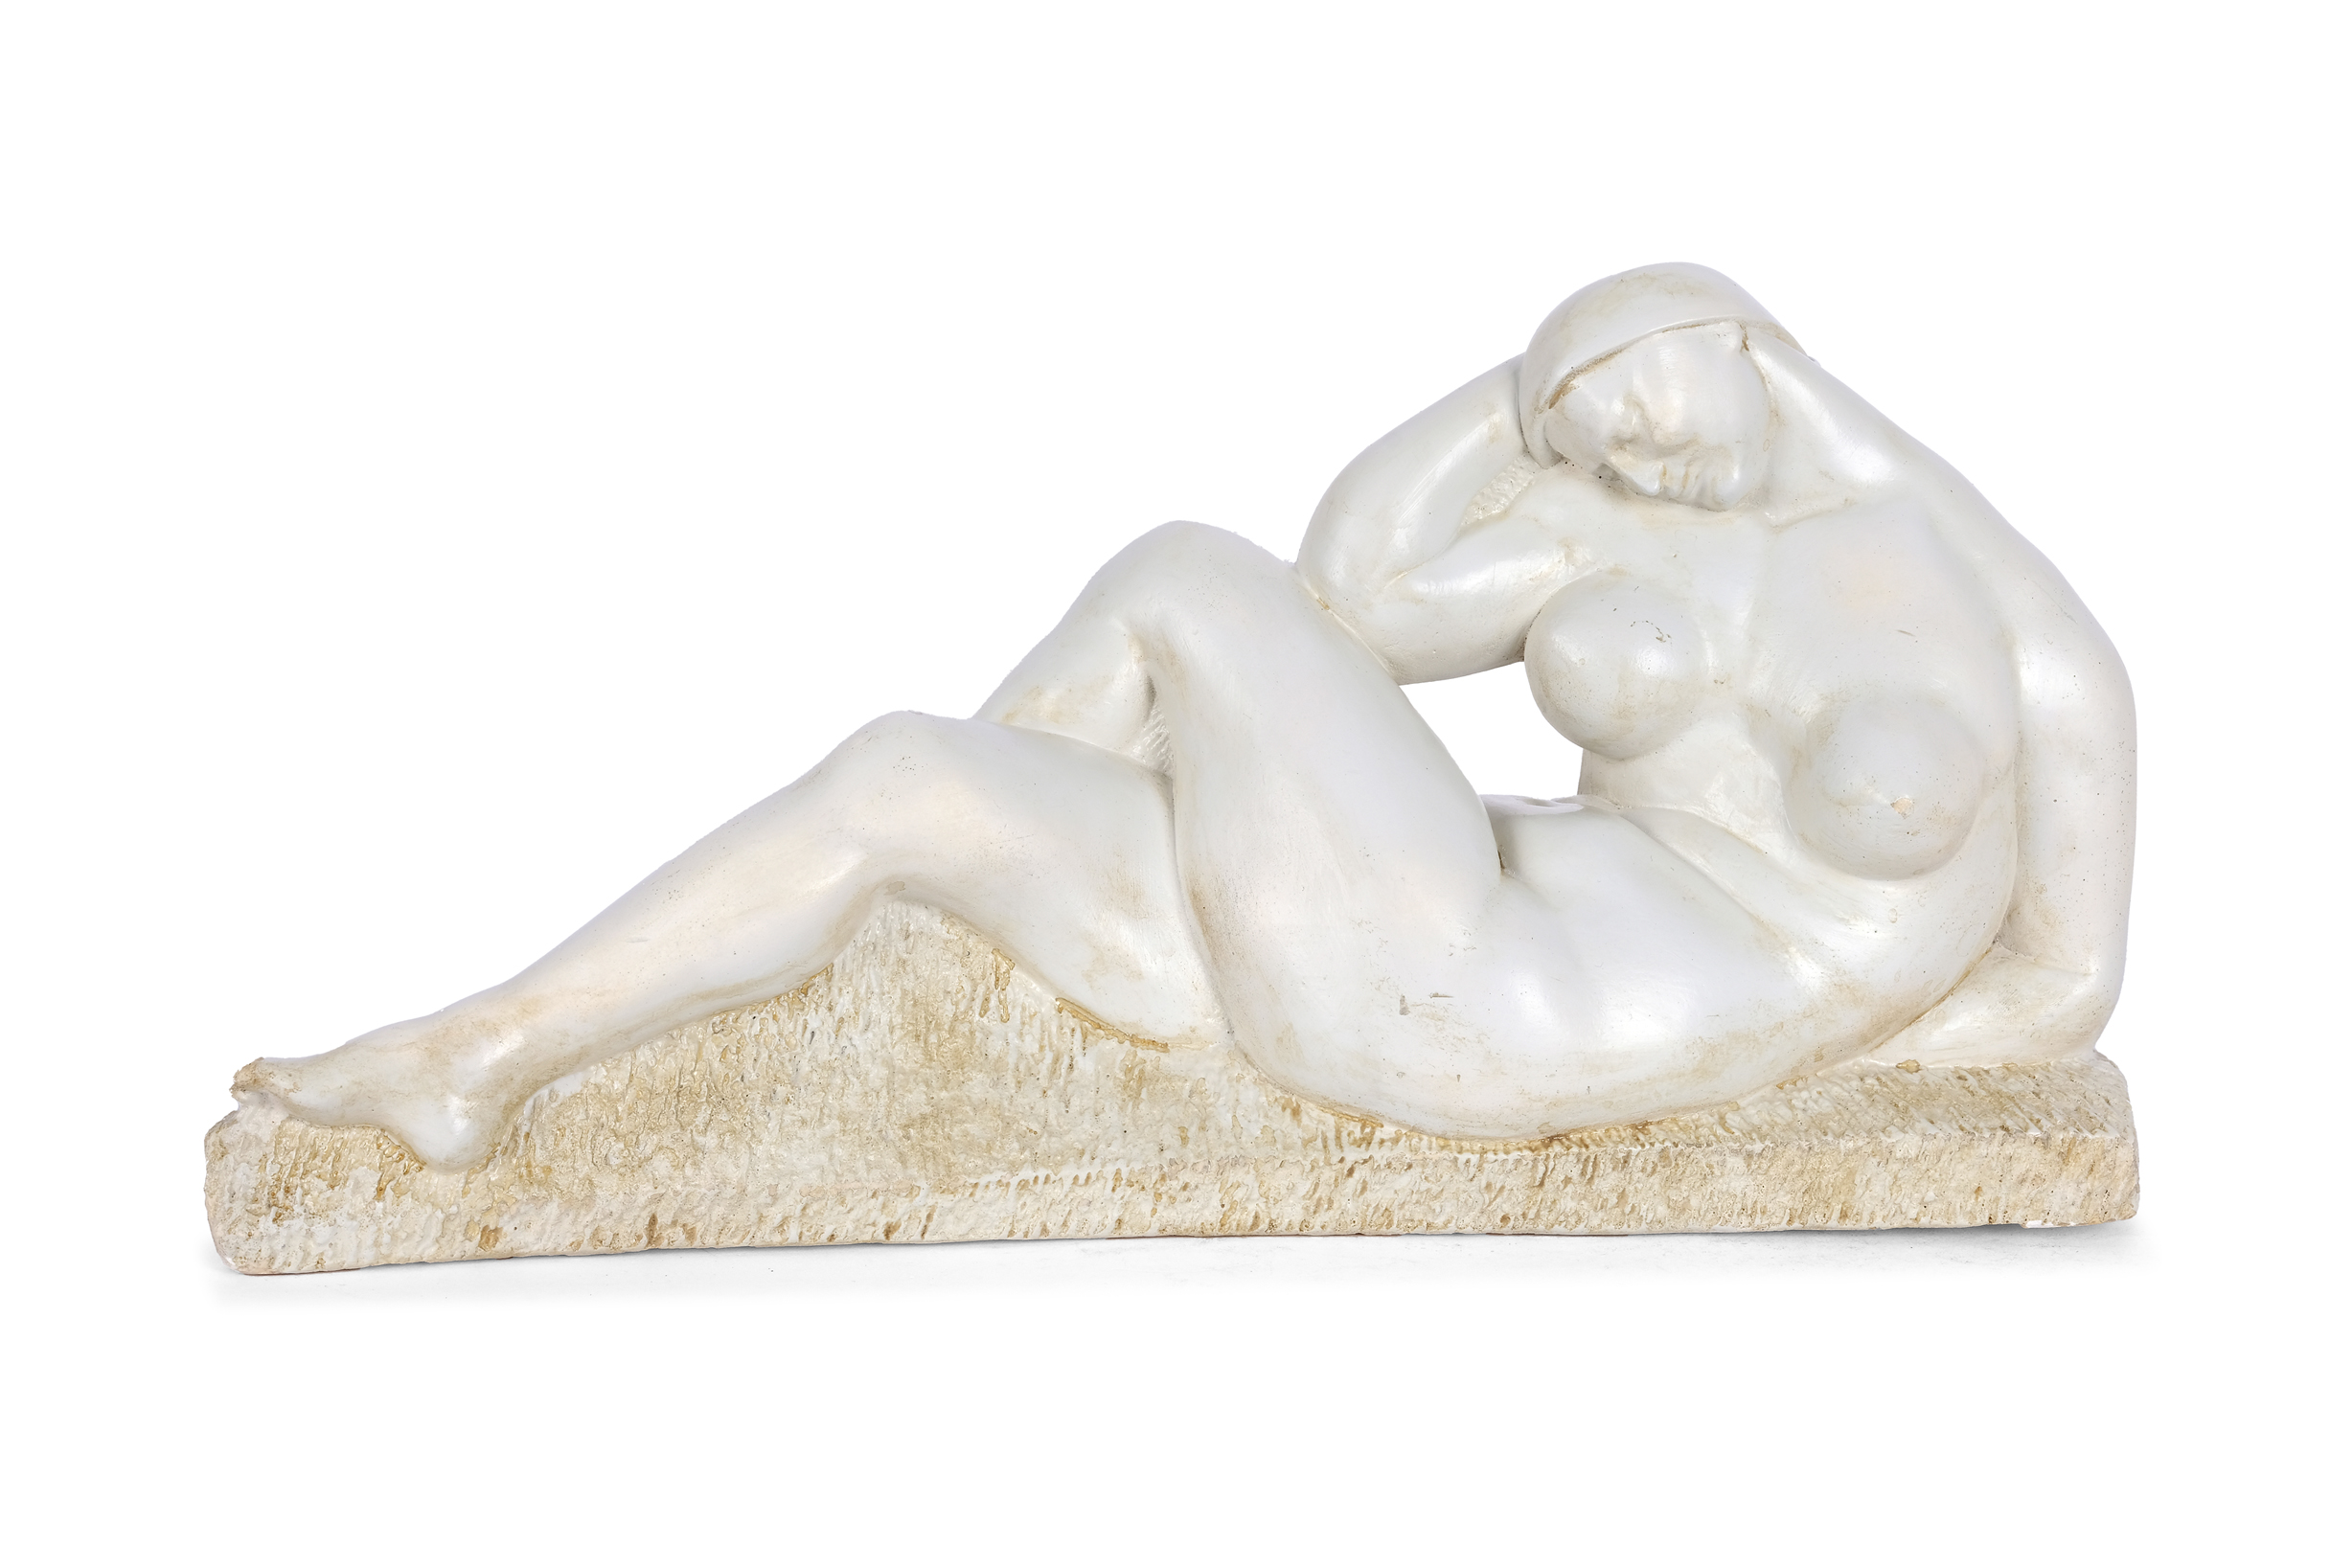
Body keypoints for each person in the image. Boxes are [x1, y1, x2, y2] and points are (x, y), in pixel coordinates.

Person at [240, 264, 2134, 1169]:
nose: (1618, 448)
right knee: (910, 770)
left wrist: (1819, 1058)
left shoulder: (2003, 617)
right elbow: (1360, 589)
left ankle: (977, 903)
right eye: (1581, 433)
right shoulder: (1610, 529)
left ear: (1739, 339)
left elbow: (2057, 985)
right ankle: (474, 1054)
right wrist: (1513, 393)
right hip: (1396, 951)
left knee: (1182, 574)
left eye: (1633, 394)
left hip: (1503, 1006)